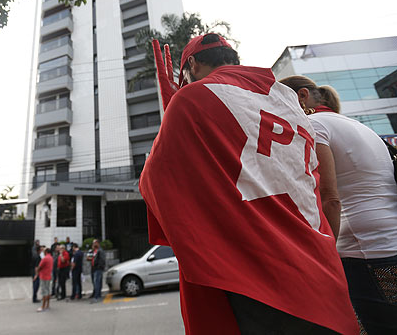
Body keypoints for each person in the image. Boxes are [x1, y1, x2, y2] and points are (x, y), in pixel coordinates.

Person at [140, 34, 358, 334]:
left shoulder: (192, 99)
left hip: (257, 278)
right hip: (319, 268)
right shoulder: (288, 99)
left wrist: (172, 113)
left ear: (191, 63)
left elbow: (157, 182)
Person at [280, 75, 397, 334]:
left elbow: (330, 197)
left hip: (361, 249)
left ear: (301, 96)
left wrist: (325, 253)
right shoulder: (358, 126)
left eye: (281, 101)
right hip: (389, 241)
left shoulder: (313, 124)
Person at [34, 248, 53, 312]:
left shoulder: (45, 258)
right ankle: (47, 305)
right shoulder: (51, 258)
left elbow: (39, 267)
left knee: (44, 292)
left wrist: (36, 273)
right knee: (48, 291)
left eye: (44, 251)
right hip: (49, 276)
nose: (43, 252)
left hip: (44, 276)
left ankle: (43, 306)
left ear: (46, 252)